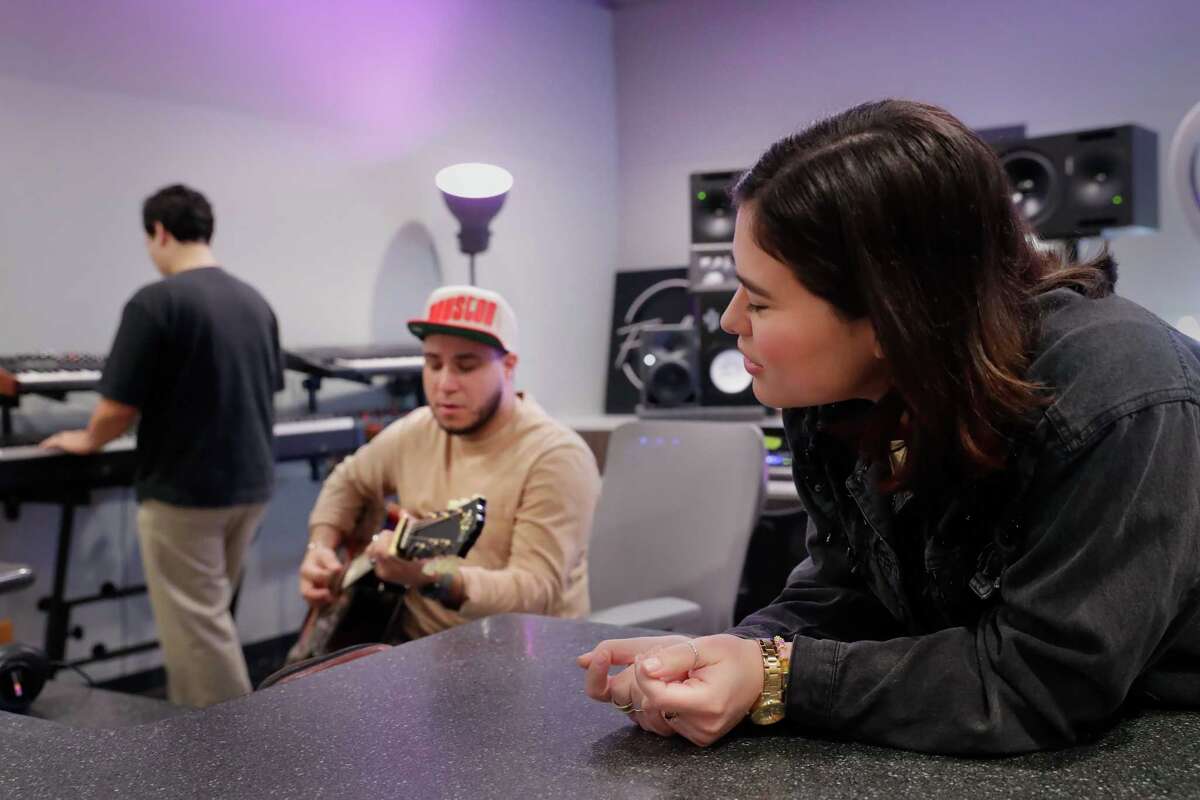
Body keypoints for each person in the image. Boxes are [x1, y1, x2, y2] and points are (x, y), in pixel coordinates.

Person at [578, 99, 1200, 755]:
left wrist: (778, 677)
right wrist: (723, 657)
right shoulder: (840, 391)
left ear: (886, 316)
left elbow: (1040, 682)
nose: (732, 322)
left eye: (760, 300)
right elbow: (847, 591)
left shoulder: (1120, 395)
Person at [41, 184, 283, 707]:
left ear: (160, 232)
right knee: (212, 619)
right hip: (251, 486)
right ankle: (201, 745)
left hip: (185, 493)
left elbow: (117, 408)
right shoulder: (254, 302)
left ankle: (233, 757)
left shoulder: (156, 303)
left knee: (199, 636)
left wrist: (85, 439)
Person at [299, 285, 601, 642]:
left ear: (508, 366)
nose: (444, 384)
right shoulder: (418, 430)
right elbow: (347, 481)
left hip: (523, 659)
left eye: (465, 365)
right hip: (416, 649)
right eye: (433, 363)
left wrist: (431, 575)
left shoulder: (556, 457)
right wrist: (320, 547)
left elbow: (532, 591)